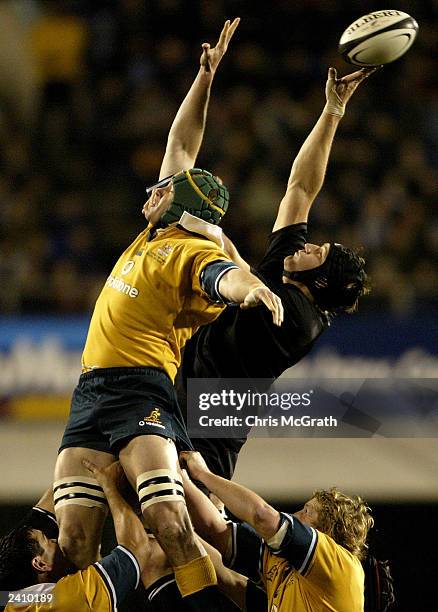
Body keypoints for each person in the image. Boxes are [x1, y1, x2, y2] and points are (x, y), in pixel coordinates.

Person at [52, 18, 283, 611]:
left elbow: (223, 277)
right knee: (73, 538)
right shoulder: (158, 232)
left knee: (168, 520)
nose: (151, 190)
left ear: (179, 207)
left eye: (162, 190)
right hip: (89, 395)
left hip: (141, 391)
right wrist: (204, 79)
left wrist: (251, 287)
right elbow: (182, 148)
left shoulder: (188, 250)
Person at [177, 65, 378, 480]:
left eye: (315, 253)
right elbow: (301, 189)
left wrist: (212, 230)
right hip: (180, 402)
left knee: (185, 534)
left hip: (208, 430)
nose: (305, 246)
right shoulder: (292, 271)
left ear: (319, 281)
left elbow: (237, 276)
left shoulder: (297, 321)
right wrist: (333, 111)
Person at [181, 451, 374, 612]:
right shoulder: (286, 564)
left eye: (306, 511)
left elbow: (262, 515)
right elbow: (216, 530)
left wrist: (203, 473)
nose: (295, 515)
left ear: (329, 529)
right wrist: (179, 479)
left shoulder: (342, 568)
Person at [0, 461, 150, 611]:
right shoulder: (68, 598)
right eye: (49, 540)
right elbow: (137, 548)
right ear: (40, 564)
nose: (55, 540)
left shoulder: (12, 600)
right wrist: (109, 486)